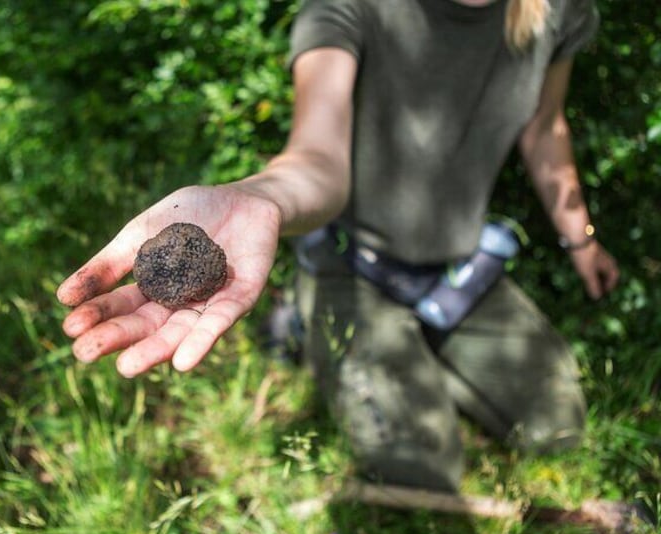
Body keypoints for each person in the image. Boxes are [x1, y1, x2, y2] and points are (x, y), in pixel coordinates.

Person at [57, 0, 619, 491]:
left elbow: (545, 126)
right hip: (354, 265)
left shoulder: (555, 8)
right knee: (422, 468)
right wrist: (262, 199)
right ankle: (309, 320)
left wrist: (581, 238)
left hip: (457, 266)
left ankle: (407, 346)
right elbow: (316, 156)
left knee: (561, 428)